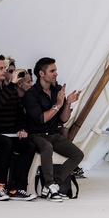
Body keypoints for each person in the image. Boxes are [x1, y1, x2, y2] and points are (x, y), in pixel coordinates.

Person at [23, 57, 84, 202]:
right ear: (41, 73)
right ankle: (50, 184)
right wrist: (58, 105)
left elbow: (63, 119)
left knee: (78, 154)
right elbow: (41, 119)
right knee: (47, 147)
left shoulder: (57, 90)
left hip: (53, 133)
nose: (56, 73)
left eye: (55, 70)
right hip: (35, 134)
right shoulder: (31, 94)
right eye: (52, 71)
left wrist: (67, 103)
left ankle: (53, 184)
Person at [0, 55, 37, 201]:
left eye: (5, 68)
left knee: (29, 146)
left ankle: (17, 188)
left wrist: (22, 129)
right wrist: (11, 85)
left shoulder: (11, 90)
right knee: (6, 144)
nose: (4, 71)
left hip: (10, 134)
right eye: (0, 68)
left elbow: (20, 114)